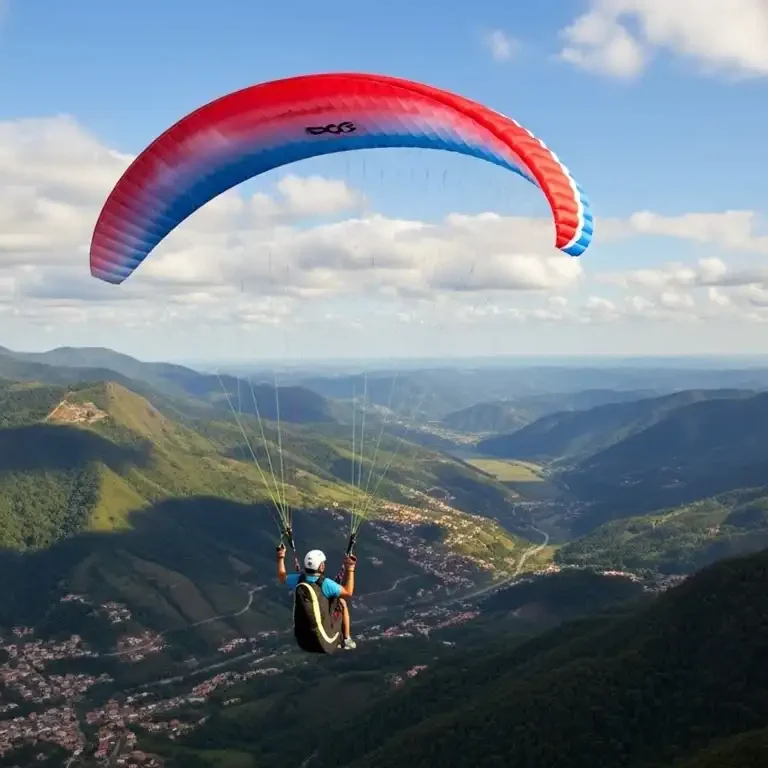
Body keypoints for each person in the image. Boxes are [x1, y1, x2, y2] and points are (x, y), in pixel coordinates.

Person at [277, 544, 357, 651]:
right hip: (326, 641)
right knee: (342, 602)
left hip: (303, 641)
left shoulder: (298, 580)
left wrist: (280, 558)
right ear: (321, 567)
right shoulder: (326, 584)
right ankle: (346, 639)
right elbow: (348, 592)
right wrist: (350, 568)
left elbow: (282, 577)